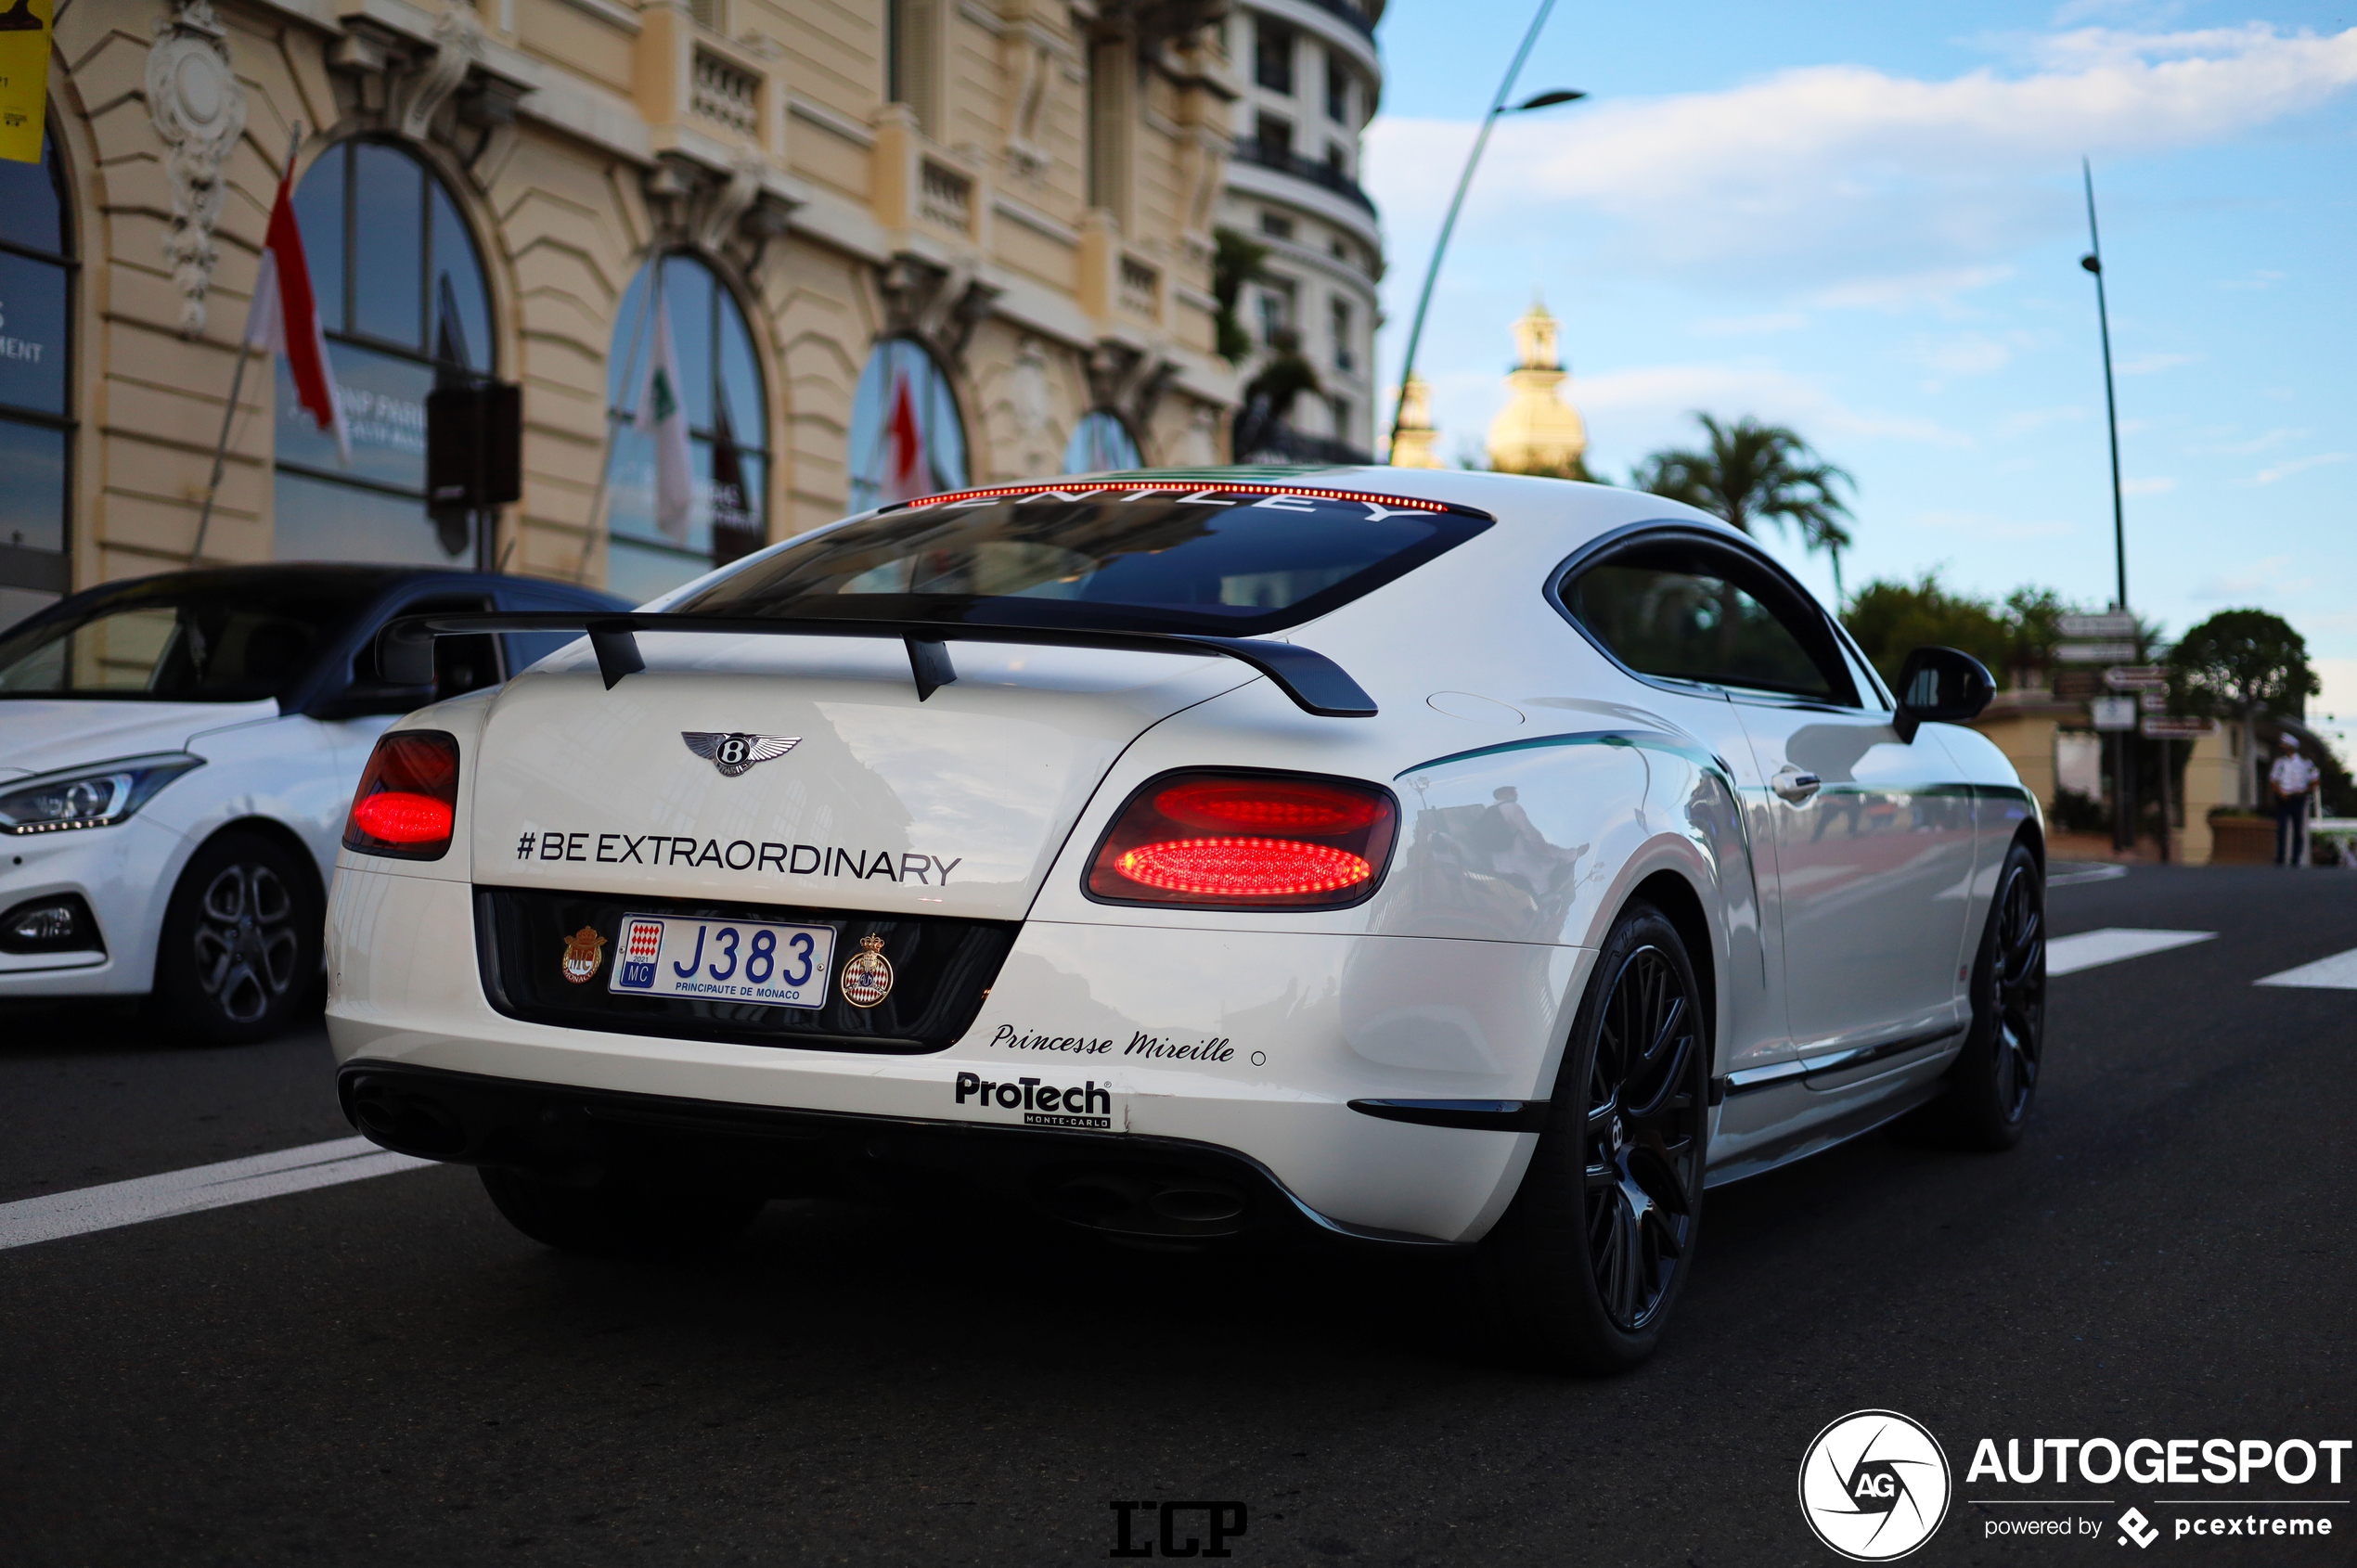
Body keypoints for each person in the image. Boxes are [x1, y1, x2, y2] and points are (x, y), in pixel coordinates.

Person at [2269, 733, 2321, 867]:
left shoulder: (2305, 763)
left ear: (2290, 747)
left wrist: (2304, 791)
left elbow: (2315, 780)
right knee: (2281, 828)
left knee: (2298, 830)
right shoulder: (2280, 763)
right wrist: (2280, 792)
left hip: (2298, 798)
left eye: (2285, 746)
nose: (2283, 748)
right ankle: (2280, 858)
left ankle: (2295, 859)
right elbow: (2274, 780)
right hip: (2283, 798)